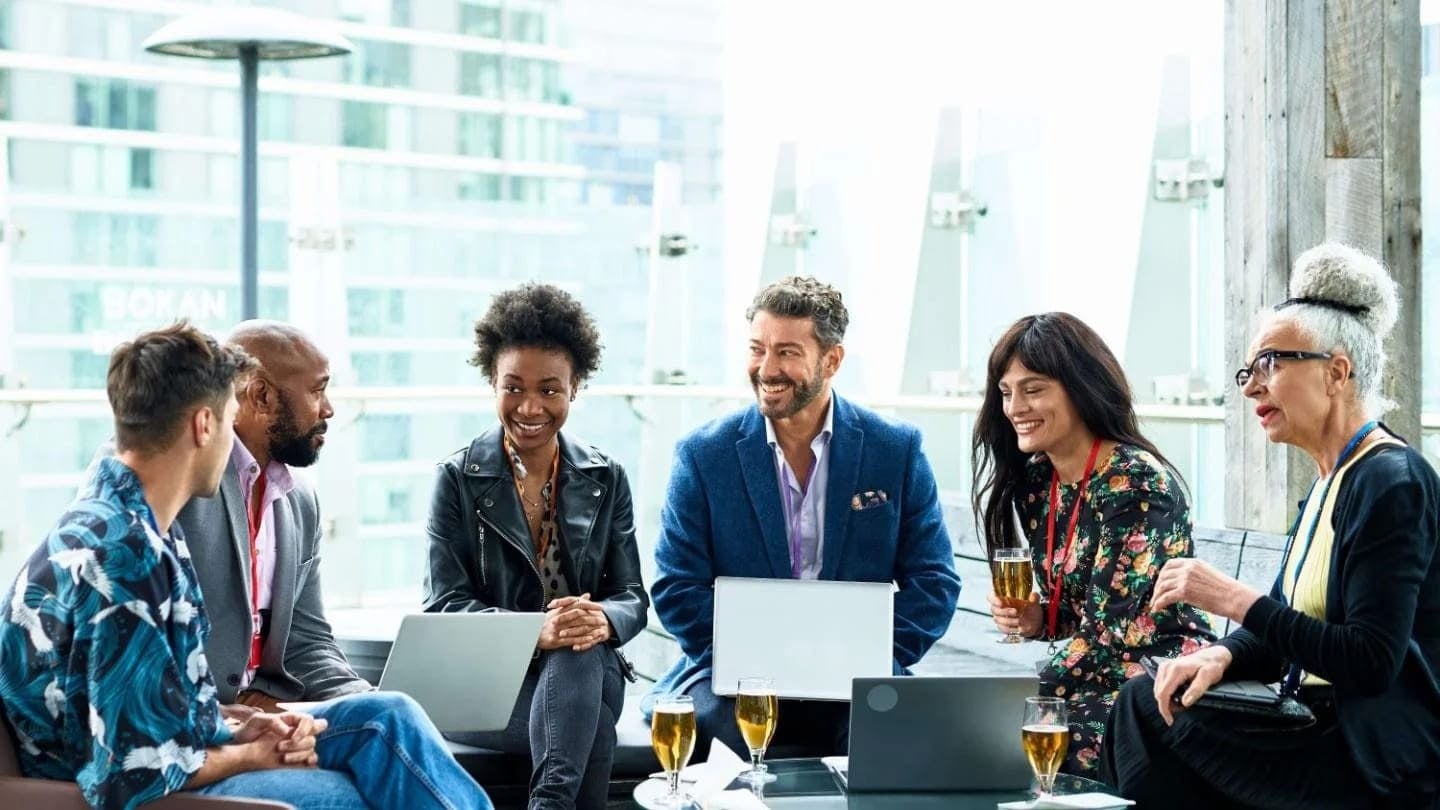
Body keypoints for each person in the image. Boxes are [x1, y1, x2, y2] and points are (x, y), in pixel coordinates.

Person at [0, 323, 491, 810]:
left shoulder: (140, 522)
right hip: (112, 782)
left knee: (390, 716)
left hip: (188, 739)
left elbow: (166, 703)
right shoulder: (126, 556)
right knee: (349, 795)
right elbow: (135, 770)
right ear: (204, 425)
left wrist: (249, 725)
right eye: (229, 412)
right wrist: (253, 754)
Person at [1103, 243, 1440, 807]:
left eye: (1271, 363)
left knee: (1144, 715)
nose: (1252, 386)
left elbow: (1368, 661)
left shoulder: (1390, 481)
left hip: (1373, 754)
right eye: (1249, 370)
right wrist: (1222, 654)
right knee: (1150, 699)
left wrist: (1231, 597)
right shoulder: (1331, 480)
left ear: (1337, 372)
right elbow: (1286, 622)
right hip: (1319, 724)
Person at [647, 275, 961, 756]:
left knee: (887, 738)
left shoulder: (894, 450)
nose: (766, 368)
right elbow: (676, 585)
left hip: (857, 673)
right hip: (735, 674)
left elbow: (934, 580)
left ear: (831, 360)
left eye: (787, 353)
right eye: (758, 349)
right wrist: (748, 658)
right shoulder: (703, 455)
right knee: (725, 740)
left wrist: (875, 656)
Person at [424, 283, 647, 810]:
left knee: (581, 649)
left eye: (550, 390)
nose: (530, 406)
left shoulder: (605, 476)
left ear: (576, 389)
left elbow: (632, 594)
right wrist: (535, 632)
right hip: (492, 682)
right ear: (491, 383)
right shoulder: (457, 478)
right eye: (513, 387)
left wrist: (601, 619)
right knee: (588, 723)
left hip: (587, 670)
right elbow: (444, 604)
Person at [971, 312, 1214, 777]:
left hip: (1160, 679)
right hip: (1094, 679)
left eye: (1034, 388)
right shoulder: (1040, 483)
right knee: (987, 739)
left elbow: (1111, 633)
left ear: (1080, 387)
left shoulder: (1134, 483)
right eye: (1006, 392)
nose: (1015, 407)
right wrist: (1041, 618)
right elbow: (1085, 613)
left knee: (999, 742)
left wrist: (1008, 698)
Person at [174, 320, 368, 709]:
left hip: (274, 711)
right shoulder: (180, 486)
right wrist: (231, 716)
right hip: (204, 721)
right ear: (261, 396)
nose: (328, 409)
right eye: (318, 390)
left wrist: (360, 699)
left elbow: (306, 641)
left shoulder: (301, 500)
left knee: (391, 713)